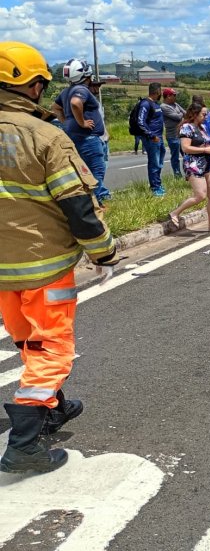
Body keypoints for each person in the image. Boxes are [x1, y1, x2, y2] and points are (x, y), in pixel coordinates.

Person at [0, 41, 118, 474]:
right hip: (43, 266)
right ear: (31, 86)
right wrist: (104, 252)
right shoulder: (45, 136)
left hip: (2, 274)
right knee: (52, 349)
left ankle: (53, 406)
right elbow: (77, 205)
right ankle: (24, 445)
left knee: (29, 341)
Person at [51, 59, 111, 205]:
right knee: (95, 173)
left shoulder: (66, 91)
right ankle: (95, 206)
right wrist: (82, 122)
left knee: (83, 173)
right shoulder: (81, 90)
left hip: (76, 138)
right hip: (89, 139)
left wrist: (67, 122)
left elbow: (55, 107)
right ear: (86, 75)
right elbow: (76, 103)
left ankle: (89, 203)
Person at [168, 103, 210, 230]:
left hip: (207, 164)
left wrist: (209, 149)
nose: (206, 117)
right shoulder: (186, 128)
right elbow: (185, 148)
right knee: (200, 195)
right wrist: (204, 150)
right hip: (194, 165)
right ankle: (175, 213)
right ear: (194, 114)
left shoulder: (202, 127)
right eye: (203, 114)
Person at [137, 82, 165, 195]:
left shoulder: (155, 104)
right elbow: (140, 122)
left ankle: (158, 183)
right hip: (152, 139)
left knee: (159, 162)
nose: (161, 93)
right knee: (154, 163)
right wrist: (151, 135)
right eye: (161, 91)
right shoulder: (145, 104)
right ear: (157, 91)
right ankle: (155, 188)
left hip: (159, 138)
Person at [161, 87, 184, 178]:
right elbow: (178, 117)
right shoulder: (164, 107)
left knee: (187, 155)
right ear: (168, 96)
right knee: (175, 157)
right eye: (174, 95)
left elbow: (186, 113)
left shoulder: (176, 104)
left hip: (181, 134)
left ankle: (189, 172)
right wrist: (181, 116)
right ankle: (177, 175)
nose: (175, 97)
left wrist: (181, 115)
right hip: (173, 135)